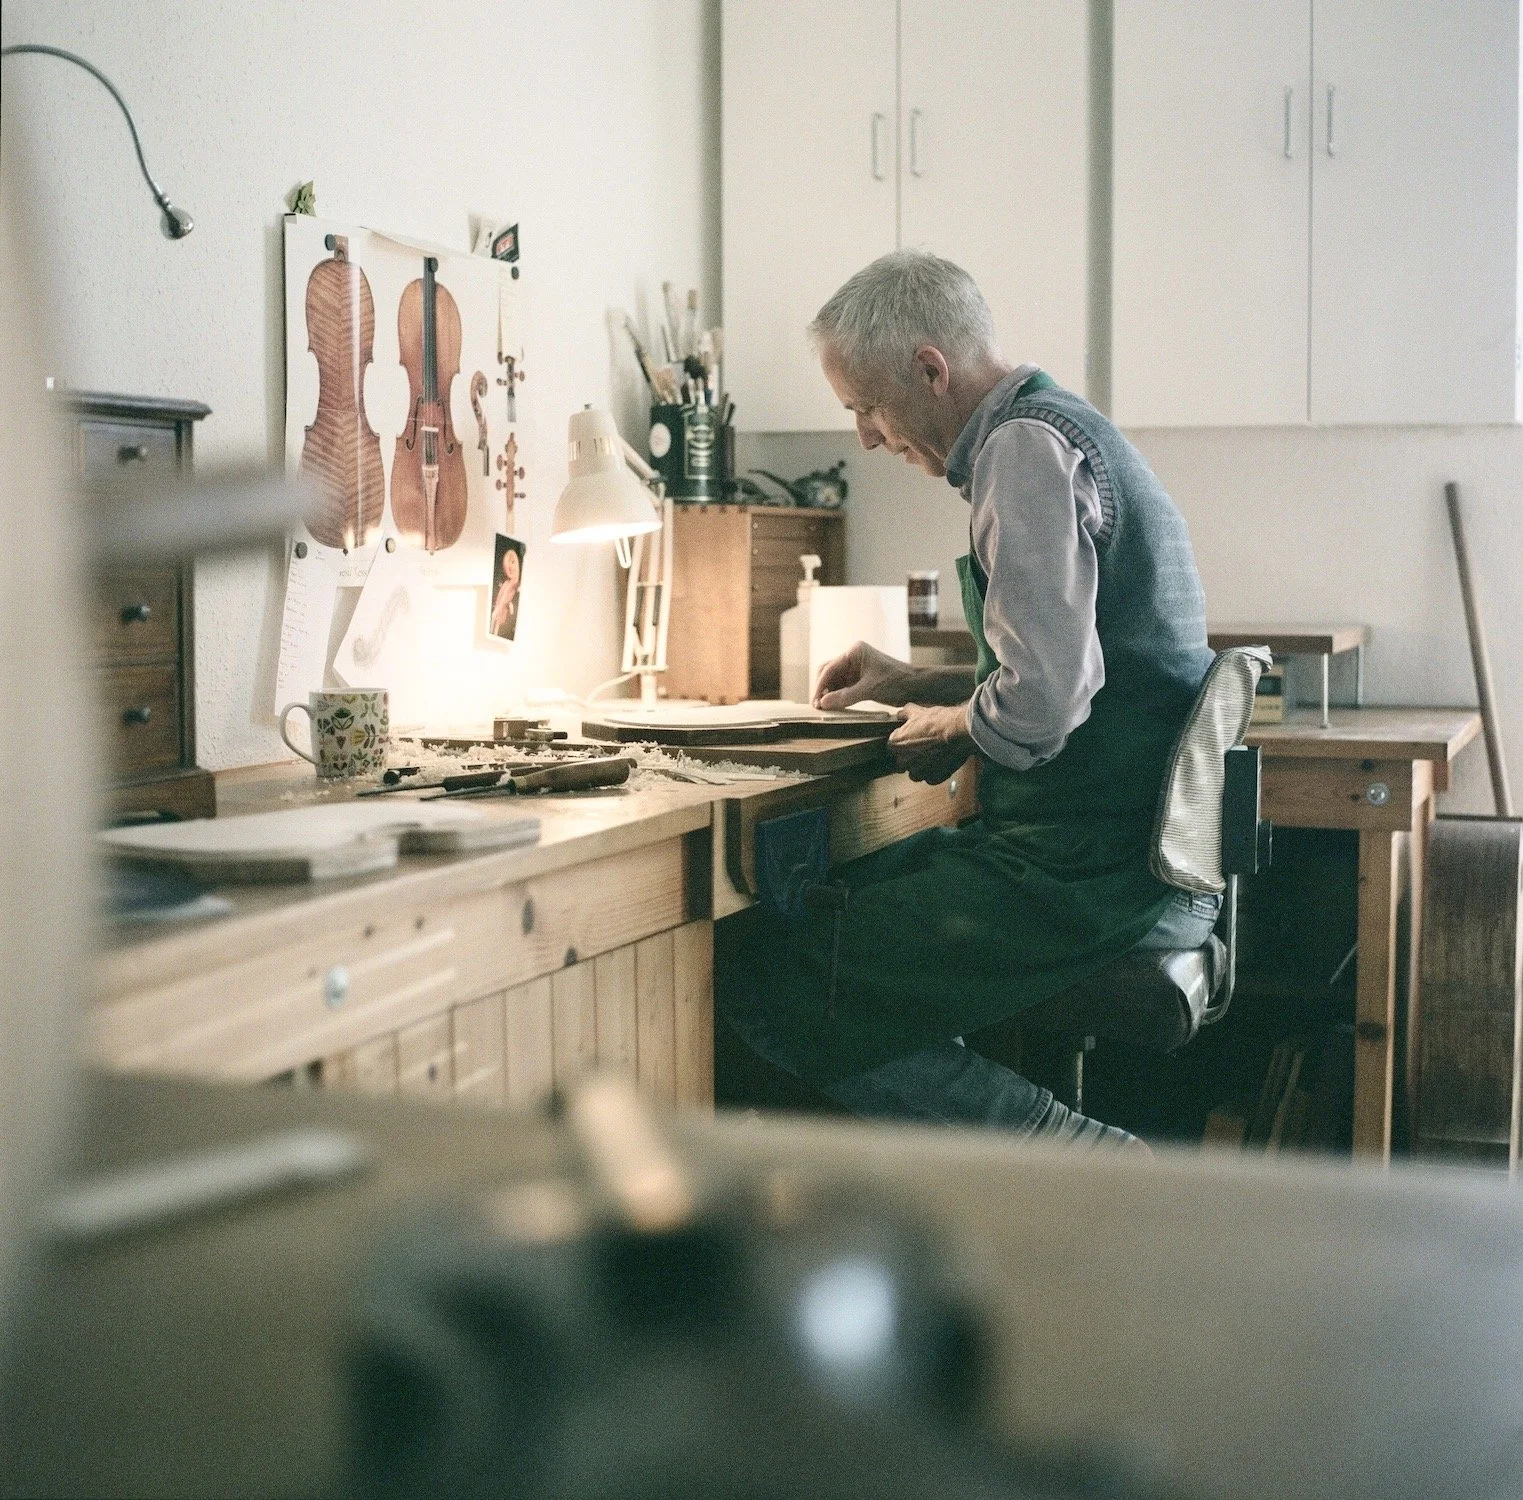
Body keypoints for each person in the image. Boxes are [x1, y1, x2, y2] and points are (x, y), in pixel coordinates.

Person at [717, 249, 1218, 1151]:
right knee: (844, 900)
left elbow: (1043, 704)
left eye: (864, 407)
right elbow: (1077, 671)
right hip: (1125, 858)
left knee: (775, 979)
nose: (866, 437)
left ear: (928, 369)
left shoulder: (1021, 451)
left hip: (1093, 871)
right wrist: (919, 684)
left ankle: (1072, 1157)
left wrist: (960, 724)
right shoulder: (1059, 430)